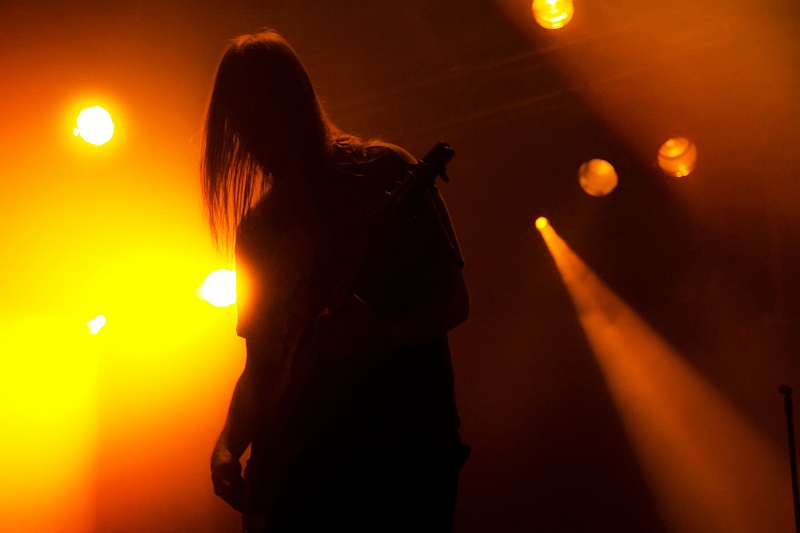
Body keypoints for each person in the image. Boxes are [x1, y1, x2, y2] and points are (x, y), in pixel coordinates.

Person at [201, 28, 470, 532]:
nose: (252, 137)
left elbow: (454, 300)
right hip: (301, 478)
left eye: (261, 115)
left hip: (397, 464)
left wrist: (386, 337)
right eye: (241, 122)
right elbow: (261, 366)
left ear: (294, 103)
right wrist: (226, 446)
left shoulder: (385, 171)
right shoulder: (259, 227)